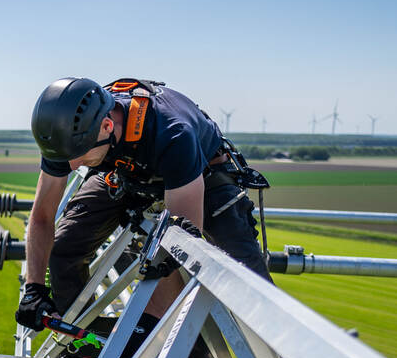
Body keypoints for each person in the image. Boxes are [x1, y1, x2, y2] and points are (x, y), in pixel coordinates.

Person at [15, 77, 271, 335]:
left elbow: (180, 243)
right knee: (64, 248)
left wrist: (147, 326)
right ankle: (82, 342)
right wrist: (33, 289)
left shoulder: (172, 133)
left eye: (79, 158)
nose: (72, 167)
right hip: (129, 172)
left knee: (244, 280)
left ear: (106, 126)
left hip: (200, 176)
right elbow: (42, 217)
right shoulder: (68, 139)